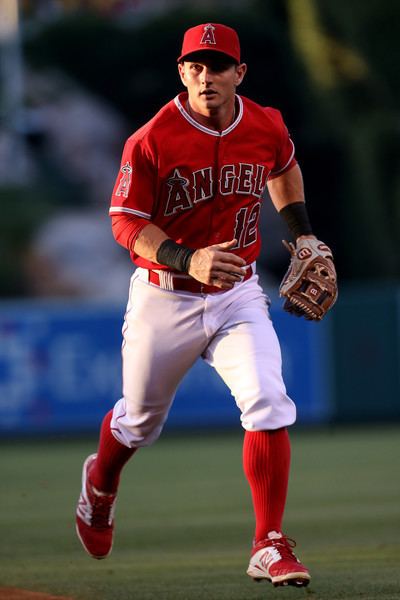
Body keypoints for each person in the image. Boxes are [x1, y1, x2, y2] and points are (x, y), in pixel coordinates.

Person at [75, 22, 335, 588]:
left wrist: (304, 232)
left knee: (267, 398)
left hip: (237, 293)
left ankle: (268, 542)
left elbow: (284, 166)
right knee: (139, 422)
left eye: (218, 65)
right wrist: (184, 257)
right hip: (164, 296)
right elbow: (125, 221)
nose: (205, 75)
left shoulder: (264, 124)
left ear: (239, 73)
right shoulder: (151, 138)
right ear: (181, 71)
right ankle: (100, 483)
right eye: (195, 64)